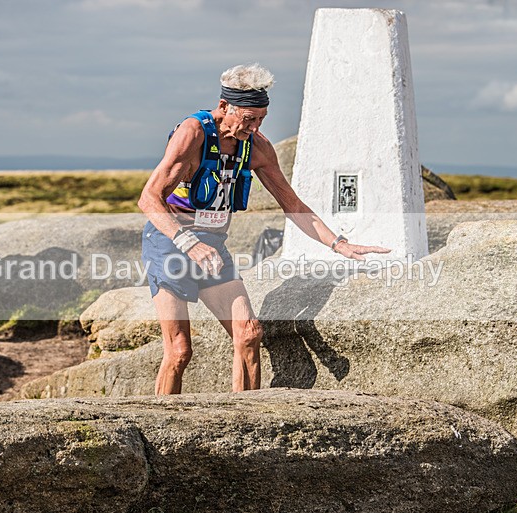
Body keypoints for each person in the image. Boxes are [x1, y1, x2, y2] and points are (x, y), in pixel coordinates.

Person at [138, 63, 390, 395]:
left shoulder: (256, 146)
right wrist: (189, 243)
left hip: (212, 244)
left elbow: (293, 204)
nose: (255, 127)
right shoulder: (193, 133)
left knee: (249, 334)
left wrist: (339, 244)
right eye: (248, 119)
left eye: (261, 119)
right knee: (180, 350)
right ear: (225, 107)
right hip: (170, 242)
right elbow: (149, 198)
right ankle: (158, 429)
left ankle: (246, 419)